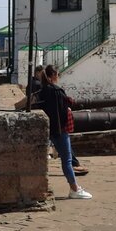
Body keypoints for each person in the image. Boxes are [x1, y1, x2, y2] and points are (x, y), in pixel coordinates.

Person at [38, 65, 92, 199]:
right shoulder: (56, 91)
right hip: (59, 130)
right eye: (57, 74)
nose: (58, 77)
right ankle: (74, 189)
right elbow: (60, 111)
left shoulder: (44, 90)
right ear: (52, 76)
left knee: (65, 159)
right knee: (67, 160)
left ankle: (74, 188)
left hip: (52, 129)